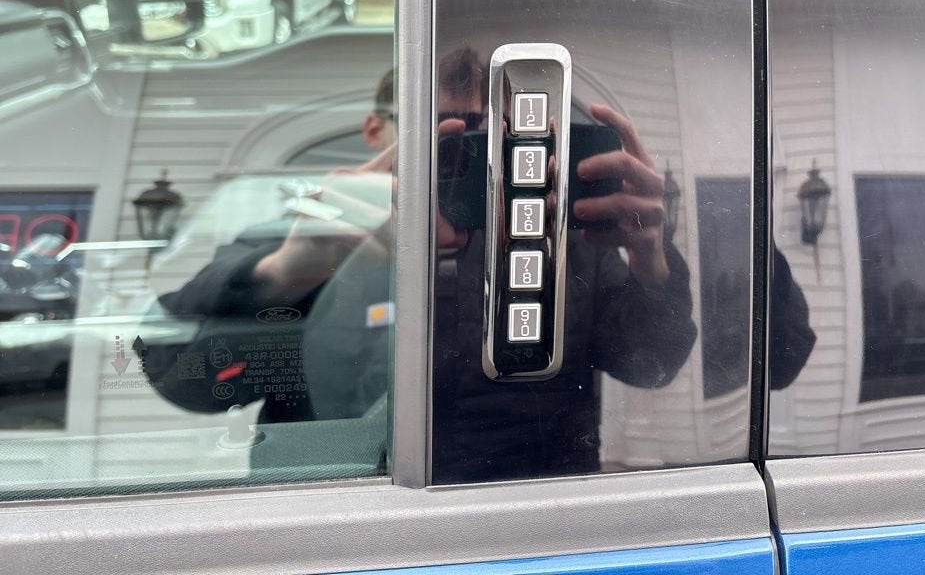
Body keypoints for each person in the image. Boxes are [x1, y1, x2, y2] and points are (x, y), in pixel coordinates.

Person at [150, 47, 812, 482]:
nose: (463, 157)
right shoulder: (310, 230)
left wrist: (651, 258)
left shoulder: (569, 246)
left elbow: (654, 363)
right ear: (377, 133)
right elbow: (182, 379)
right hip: (336, 526)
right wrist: (285, 273)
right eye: (438, 131)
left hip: (518, 530)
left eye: (485, 136)